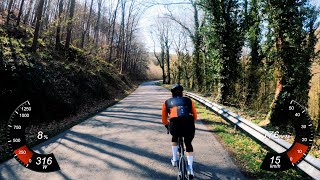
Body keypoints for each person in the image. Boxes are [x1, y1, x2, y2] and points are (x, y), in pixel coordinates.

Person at [162, 84, 197, 178]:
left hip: (175, 126)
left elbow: (164, 119)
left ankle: (174, 159)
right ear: (182, 92)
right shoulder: (189, 100)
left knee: (174, 137)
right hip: (188, 125)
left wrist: (167, 125)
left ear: (172, 93)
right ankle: (190, 169)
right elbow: (195, 116)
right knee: (188, 143)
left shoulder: (167, 102)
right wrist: (191, 124)